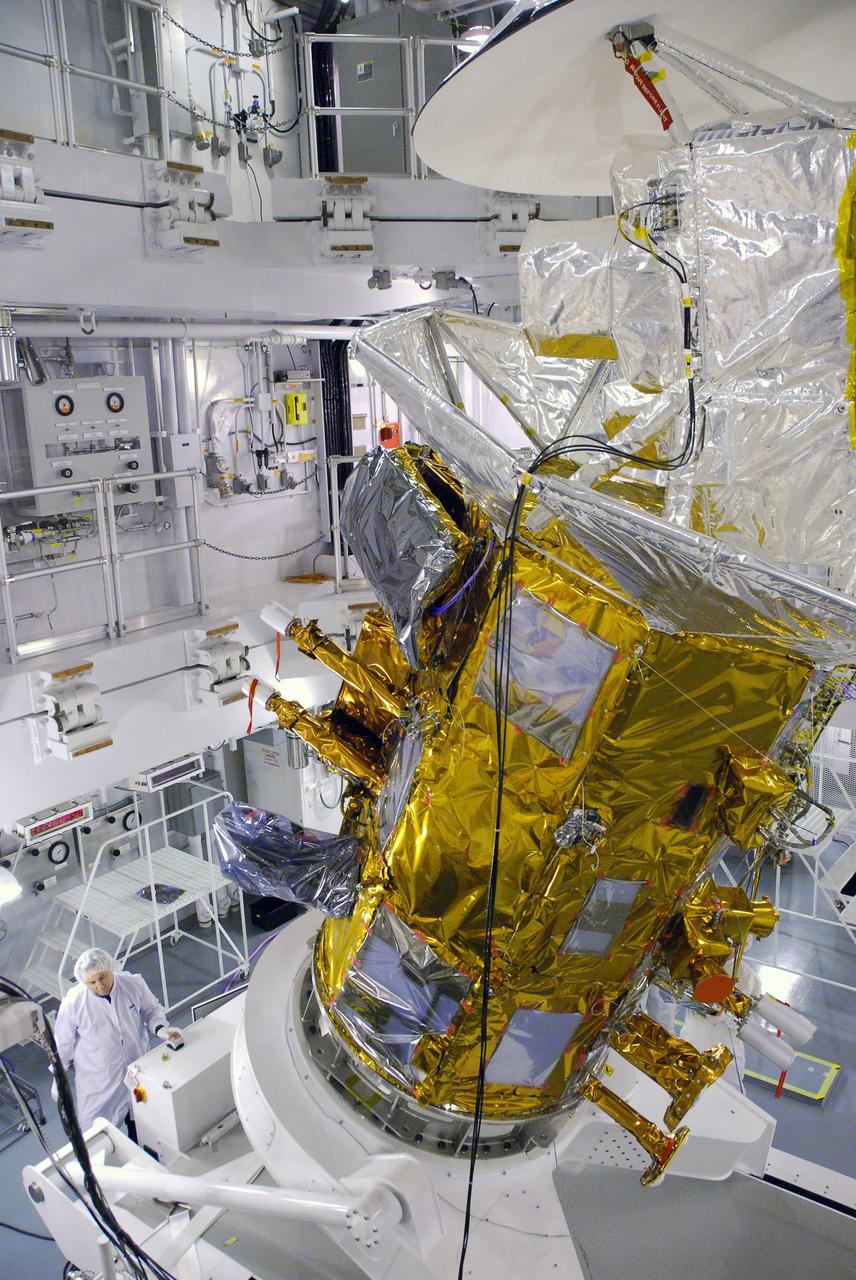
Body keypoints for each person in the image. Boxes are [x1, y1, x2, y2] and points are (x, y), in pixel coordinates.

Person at [53, 947, 183, 1138]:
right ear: (84, 981)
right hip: (99, 1083)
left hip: (137, 1074)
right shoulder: (73, 1004)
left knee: (143, 1126)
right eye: (92, 982)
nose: (100, 985)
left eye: (103, 977)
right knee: (95, 1138)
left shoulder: (132, 983)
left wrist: (160, 1028)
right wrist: (58, 1076)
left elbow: (151, 1010)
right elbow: (62, 1044)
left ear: (110, 969)